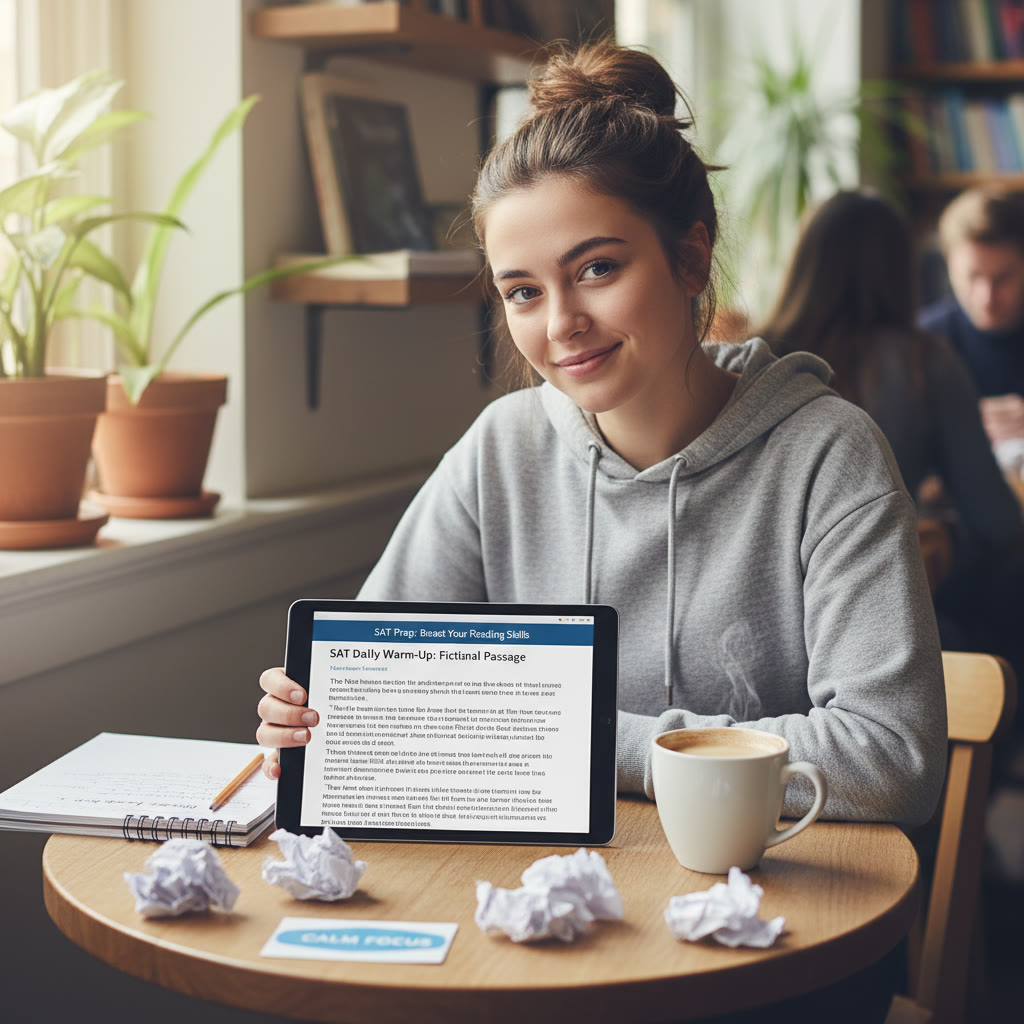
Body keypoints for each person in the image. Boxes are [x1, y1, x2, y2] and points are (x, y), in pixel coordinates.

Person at [256, 41, 945, 1021]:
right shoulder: (501, 446)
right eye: (523, 291)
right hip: (543, 935)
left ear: (691, 254)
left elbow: (890, 757)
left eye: (597, 268)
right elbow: (381, 678)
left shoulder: (827, 454)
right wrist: (325, 715)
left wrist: (568, 735)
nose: (561, 323)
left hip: (770, 952)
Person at [759, 189, 1022, 581]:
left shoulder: (751, 357)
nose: (987, 297)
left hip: (762, 588)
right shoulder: (923, 361)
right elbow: (997, 525)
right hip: (875, 590)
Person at [919, 185, 1024, 446]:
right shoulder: (922, 340)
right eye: (973, 277)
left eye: (1003, 278)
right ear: (948, 264)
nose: (986, 297)